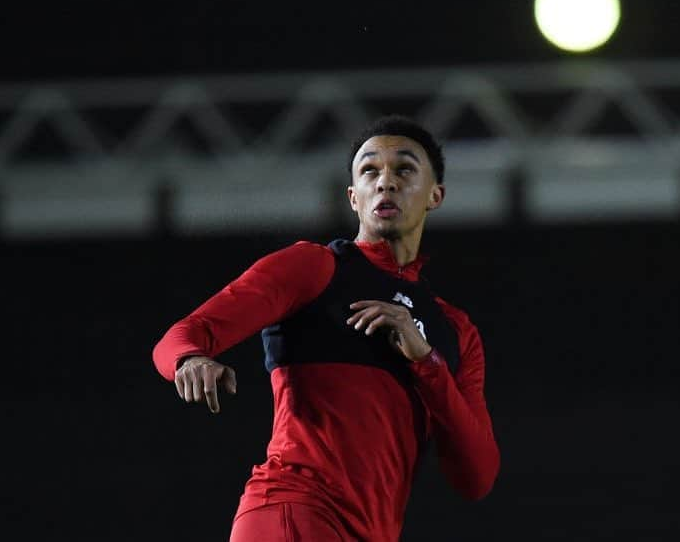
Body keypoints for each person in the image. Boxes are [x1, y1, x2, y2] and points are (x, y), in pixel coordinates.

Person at [152, 115, 500, 541]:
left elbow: (476, 477)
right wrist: (189, 360)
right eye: (369, 170)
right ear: (353, 198)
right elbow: (184, 334)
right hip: (295, 511)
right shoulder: (312, 268)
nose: (385, 182)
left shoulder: (454, 330)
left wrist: (426, 361)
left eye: (404, 169)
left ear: (436, 195)